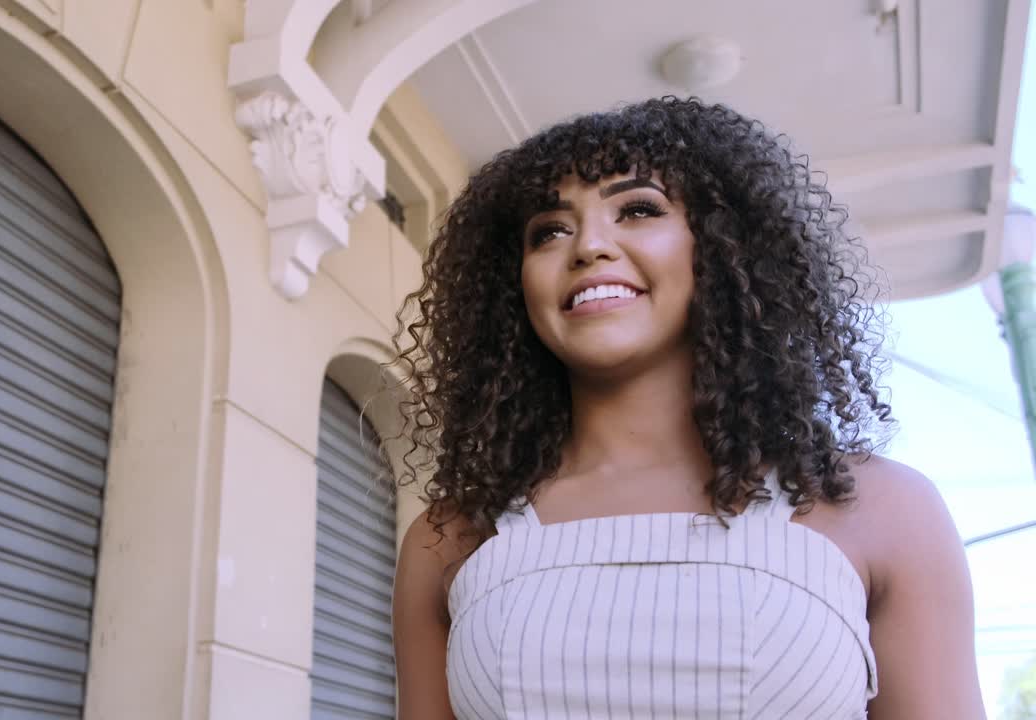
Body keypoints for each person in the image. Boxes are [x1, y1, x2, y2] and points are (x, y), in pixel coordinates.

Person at [388, 97, 984, 719]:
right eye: (550, 231)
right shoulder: (448, 541)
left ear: (724, 249)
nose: (588, 245)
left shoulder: (880, 510)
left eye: (638, 209)